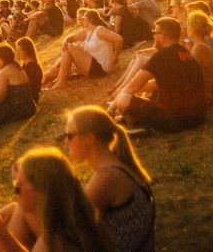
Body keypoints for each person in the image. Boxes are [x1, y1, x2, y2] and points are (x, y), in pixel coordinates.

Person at [0, 147, 111, 252]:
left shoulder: (53, 242)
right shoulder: (80, 218)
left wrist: (0, 238)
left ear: (42, 191)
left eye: (18, 188)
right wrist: (4, 236)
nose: (15, 192)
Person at [65, 106, 154, 252]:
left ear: (89, 139)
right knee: (14, 209)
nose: (66, 142)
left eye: (69, 136)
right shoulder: (117, 166)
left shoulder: (107, 178)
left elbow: (66, 228)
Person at [111, 17, 206, 132]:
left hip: (175, 121)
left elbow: (133, 86)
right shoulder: (187, 54)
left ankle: (139, 125)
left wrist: (113, 106)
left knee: (124, 98)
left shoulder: (161, 56)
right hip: (197, 117)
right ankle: (132, 121)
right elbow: (157, 84)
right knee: (150, 94)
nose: (154, 35)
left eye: (155, 32)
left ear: (164, 35)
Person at [43, 8, 122, 90]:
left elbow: (119, 39)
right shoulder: (88, 31)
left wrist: (115, 57)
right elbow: (71, 37)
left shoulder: (99, 30)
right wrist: (64, 42)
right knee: (58, 65)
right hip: (91, 65)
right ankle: (43, 82)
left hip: (100, 69)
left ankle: (61, 82)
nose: (81, 21)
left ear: (90, 20)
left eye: (84, 19)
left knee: (69, 47)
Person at [0, 43, 36, 125]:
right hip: (30, 107)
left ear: (2, 57)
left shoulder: (3, 72)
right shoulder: (16, 66)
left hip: (19, 111)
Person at [15, 37, 44, 103]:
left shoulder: (32, 67)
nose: (17, 53)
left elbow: (30, 87)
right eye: (17, 51)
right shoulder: (26, 64)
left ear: (27, 50)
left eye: (19, 51)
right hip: (26, 97)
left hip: (29, 99)